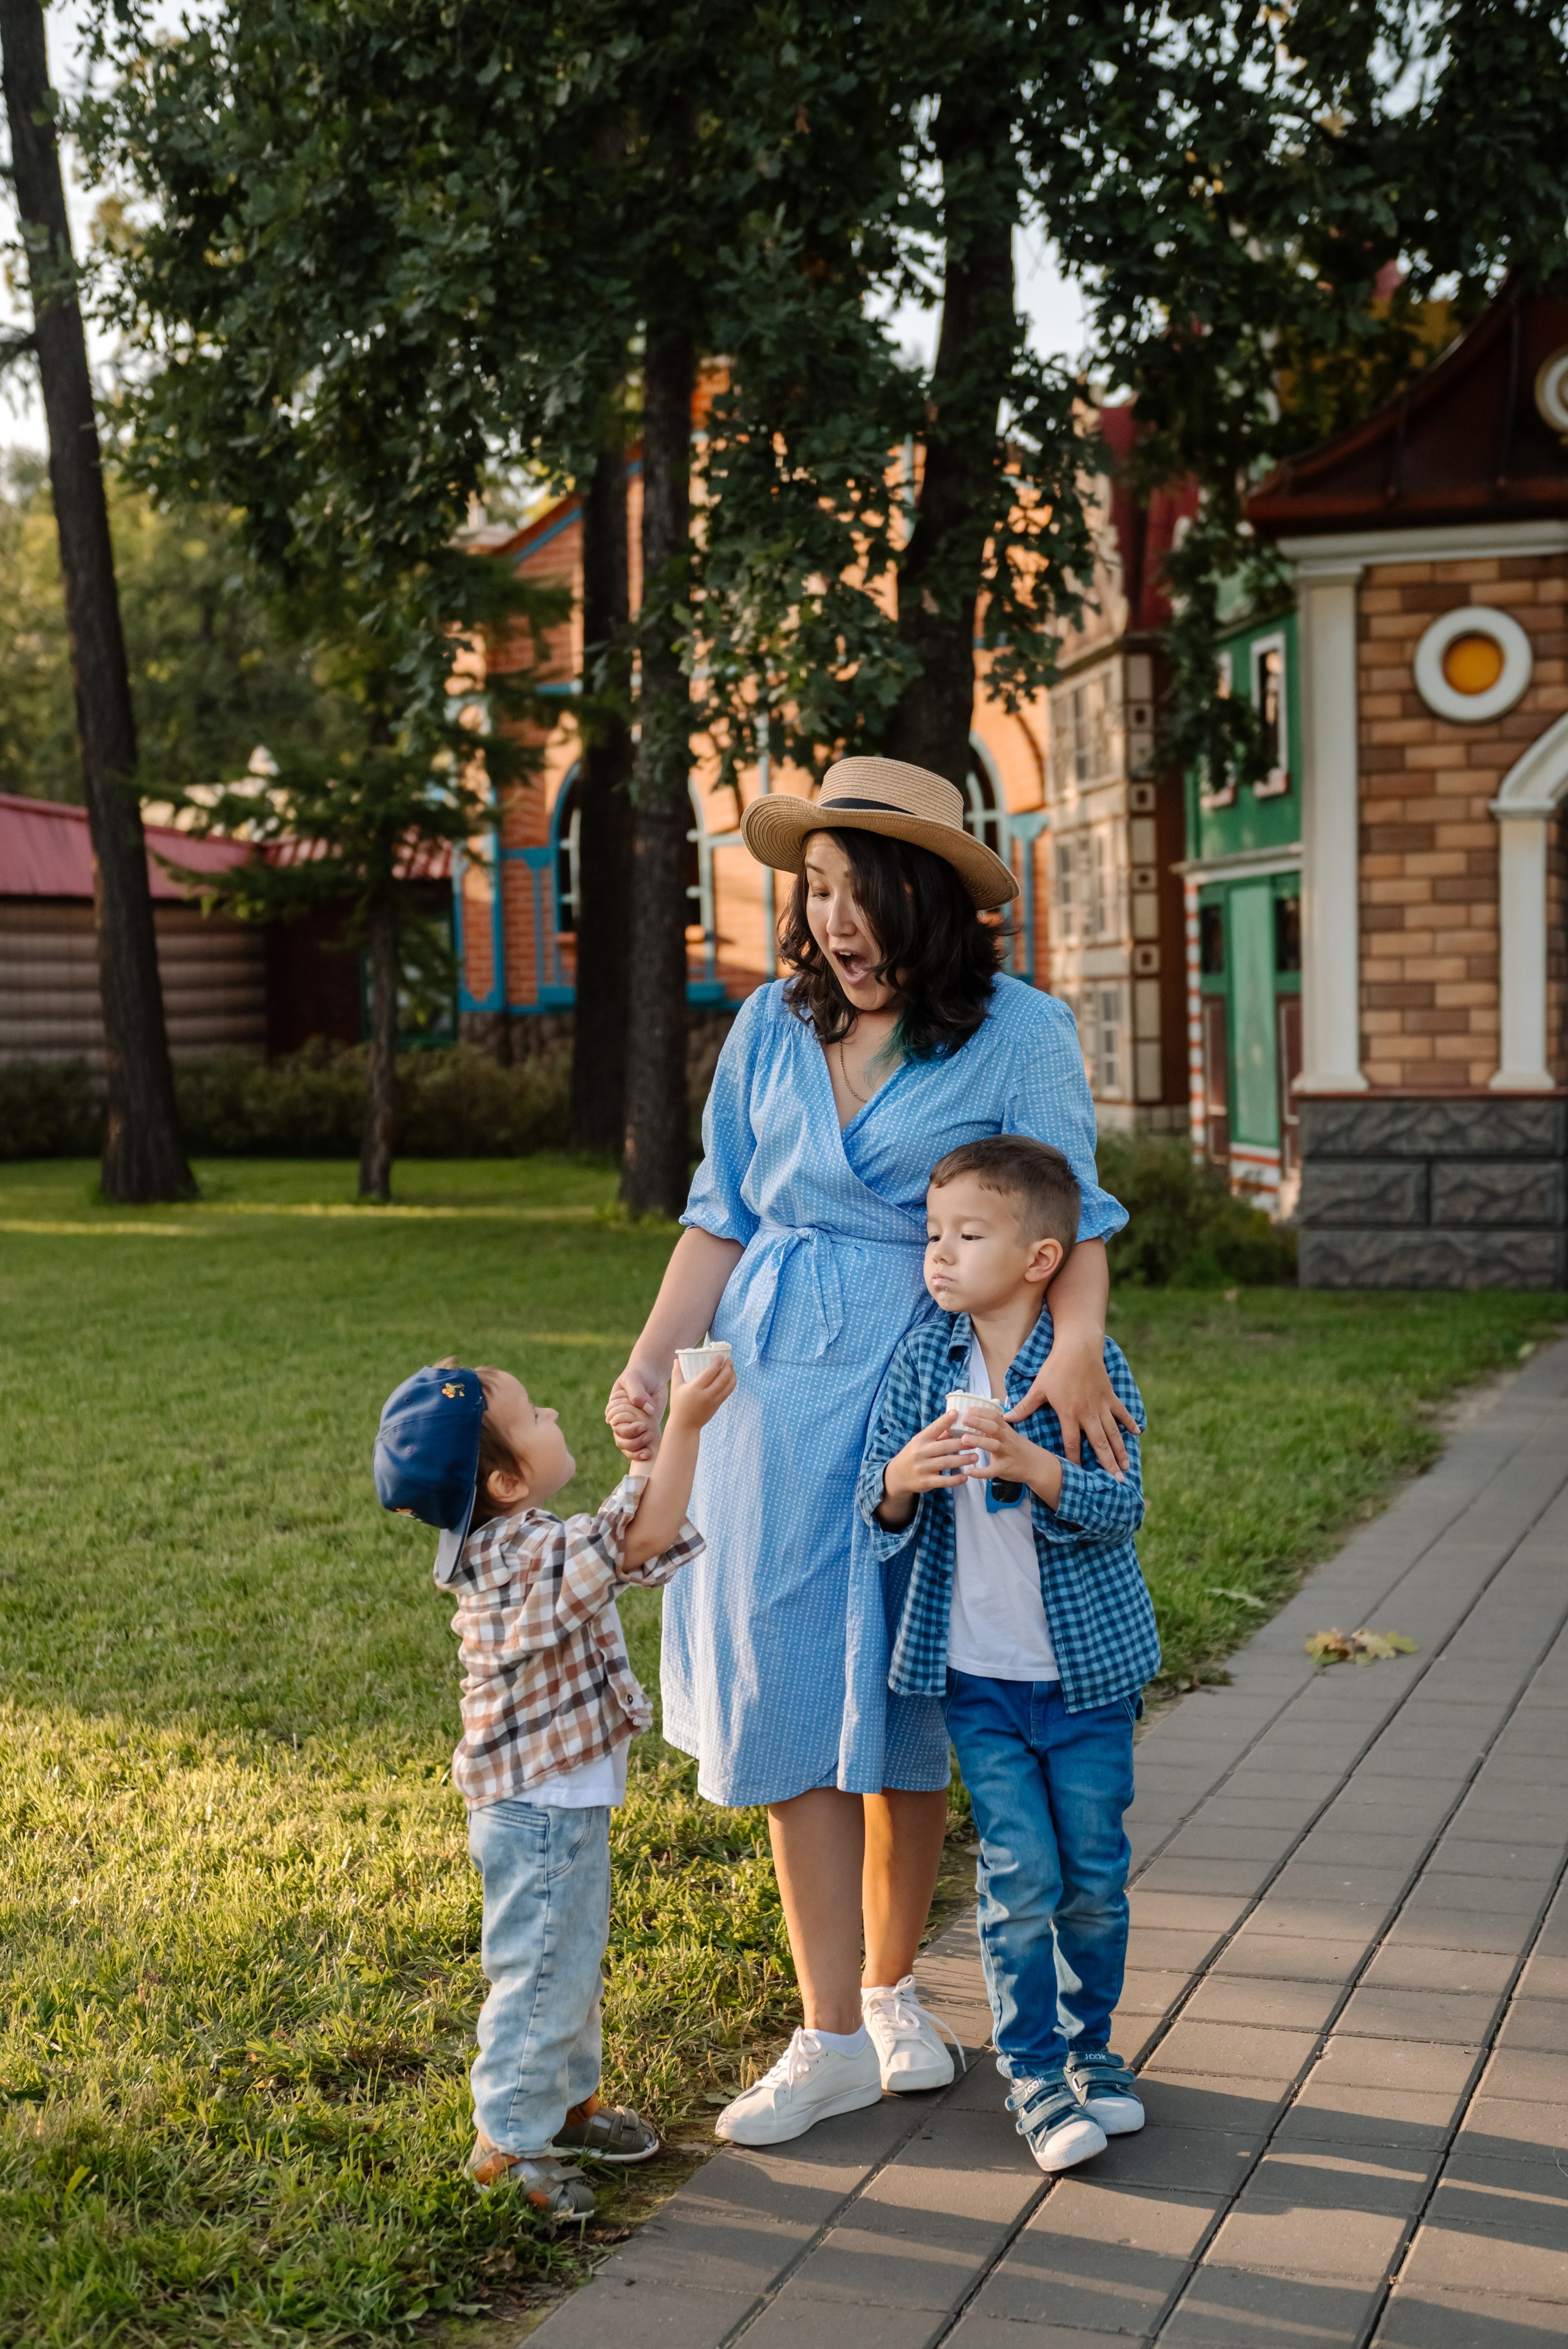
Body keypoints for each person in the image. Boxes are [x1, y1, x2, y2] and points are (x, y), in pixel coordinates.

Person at [606, 755, 1134, 2148]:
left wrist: (1069, 1343)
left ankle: (895, 1988)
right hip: (772, 1400)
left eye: (861, 893)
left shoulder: (1017, 1032)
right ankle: (826, 2027)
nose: (834, 922)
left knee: (906, 1686)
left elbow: (1070, 1216)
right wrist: (655, 1361)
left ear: (928, 897)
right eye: (816, 891)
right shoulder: (771, 1025)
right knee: (788, 1684)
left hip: (923, 1388)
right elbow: (719, 1212)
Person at [373, 1349, 734, 2215]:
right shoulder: (515, 1559)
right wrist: (681, 1427)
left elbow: (630, 1543)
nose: (557, 1420)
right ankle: (508, 2143)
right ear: (502, 1482)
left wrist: (654, 1458)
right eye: (536, 1418)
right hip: (536, 1814)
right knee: (540, 1977)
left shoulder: (525, 1543)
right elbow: (631, 1539)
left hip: (555, 1806)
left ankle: (566, 2109)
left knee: (568, 1964)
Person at [860, 1134, 1157, 2172]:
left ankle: (1094, 2055)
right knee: (1019, 1872)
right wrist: (903, 1475)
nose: (937, 1255)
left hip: (1086, 1681)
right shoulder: (924, 1362)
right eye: (933, 1234)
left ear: (1039, 1259)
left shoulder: (1087, 1365)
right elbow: (877, 1504)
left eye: (966, 1235)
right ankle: (1032, 2075)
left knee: (1093, 1876)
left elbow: (1123, 1508)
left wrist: (1036, 1465)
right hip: (978, 1678)